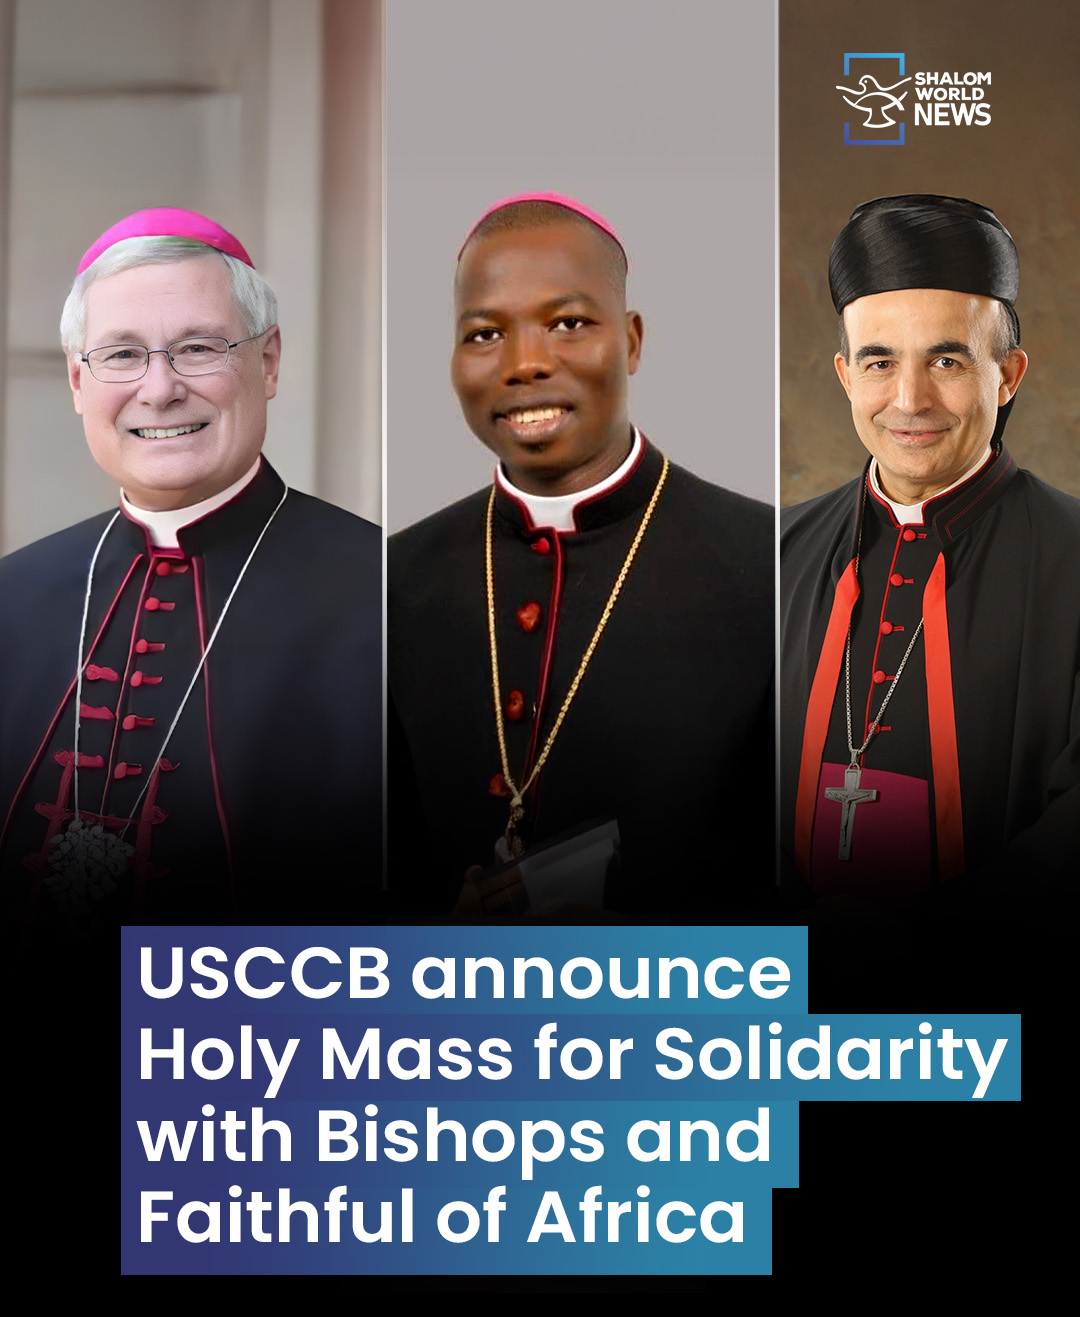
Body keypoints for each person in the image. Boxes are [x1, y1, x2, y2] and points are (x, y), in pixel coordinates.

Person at [388, 194, 774, 918]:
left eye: (568, 324)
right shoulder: (392, 582)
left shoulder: (775, 567)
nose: (526, 363)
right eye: (484, 334)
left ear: (630, 341)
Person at [0, 208, 381, 929]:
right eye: (121, 355)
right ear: (78, 382)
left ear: (268, 362)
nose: (160, 388)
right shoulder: (12, 598)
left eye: (198, 348)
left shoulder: (387, 593)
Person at [781, 195, 1080, 992]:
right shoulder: (773, 555)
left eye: (947, 361)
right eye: (879, 362)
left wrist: (921, 952)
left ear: (1007, 376)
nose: (909, 400)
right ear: (845, 375)